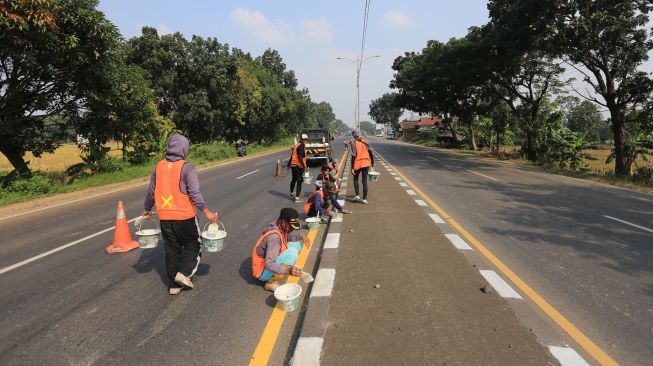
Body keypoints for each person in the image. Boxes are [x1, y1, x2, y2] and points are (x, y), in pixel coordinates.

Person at [142, 134, 218, 295]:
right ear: (184, 148)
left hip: (165, 218)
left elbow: (151, 191)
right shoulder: (187, 167)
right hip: (185, 217)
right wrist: (207, 212)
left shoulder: (159, 166)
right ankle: (183, 274)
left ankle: (173, 285)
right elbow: (194, 193)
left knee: (171, 250)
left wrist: (147, 208)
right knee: (194, 245)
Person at [251, 208, 308, 291]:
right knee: (292, 252)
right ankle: (270, 282)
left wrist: (300, 236)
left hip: (269, 258)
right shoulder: (274, 238)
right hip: (262, 271)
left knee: (297, 245)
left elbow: (284, 237)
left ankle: (285, 266)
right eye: (291, 226)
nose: (291, 229)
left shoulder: (278, 224)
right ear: (284, 222)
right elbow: (269, 264)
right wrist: (287, 270)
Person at [349, 131, 374, 204]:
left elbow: (353, 156)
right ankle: (364, 199)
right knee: (364, 181)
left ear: (353, 136)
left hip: (357, 163)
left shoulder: (353, 143)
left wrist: (352, 168)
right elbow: (370, 152)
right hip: (366, 163)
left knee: (356, 179)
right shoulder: (366, 141)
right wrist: (372, 163)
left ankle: (357, 195)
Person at [288, 134, 309, 203]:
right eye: (305, 140)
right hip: (298, 165)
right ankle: (297, 198)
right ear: (303, 140)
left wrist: (289, 163)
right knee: (299, 181)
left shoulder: (297, 145)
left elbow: (293, 155)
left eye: (306, 140)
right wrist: (304, 166)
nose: (306, 141)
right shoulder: (301, 146)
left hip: (293, 164)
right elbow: (300, 157)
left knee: (294, 179)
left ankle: (291, 194)